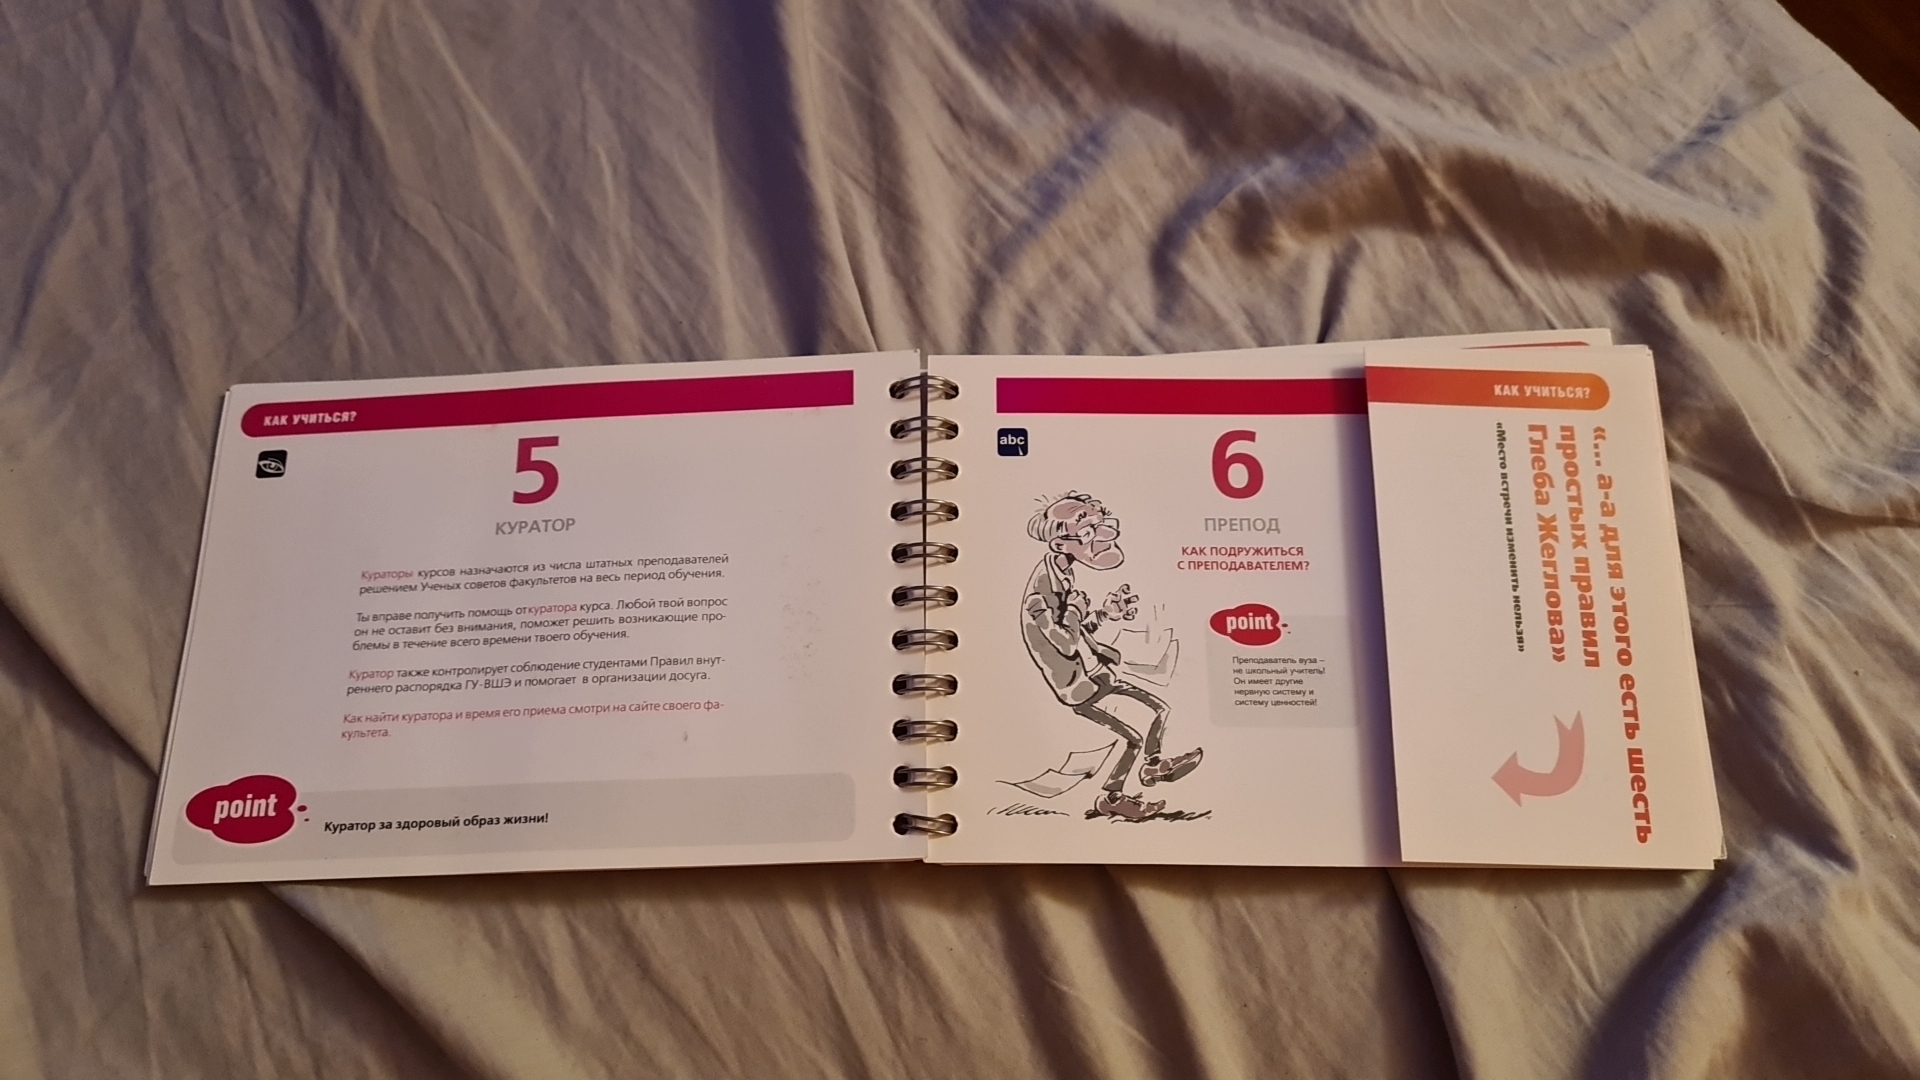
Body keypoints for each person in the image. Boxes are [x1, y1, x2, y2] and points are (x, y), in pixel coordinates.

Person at [1020, 492, 1203, 820]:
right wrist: (1076, 609)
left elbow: (1077, 632)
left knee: (1160, 709)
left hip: (1096, 673)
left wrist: (1105, 613)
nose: (1103, 535)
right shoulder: (1039, 596)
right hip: (1078, 687)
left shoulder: (1064, 573)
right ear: (1060, 544)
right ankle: (1112, 798)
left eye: (1100, 524)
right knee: (1132, 738)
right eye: (1088, 530)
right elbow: (1065, 644)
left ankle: (1153, 766)